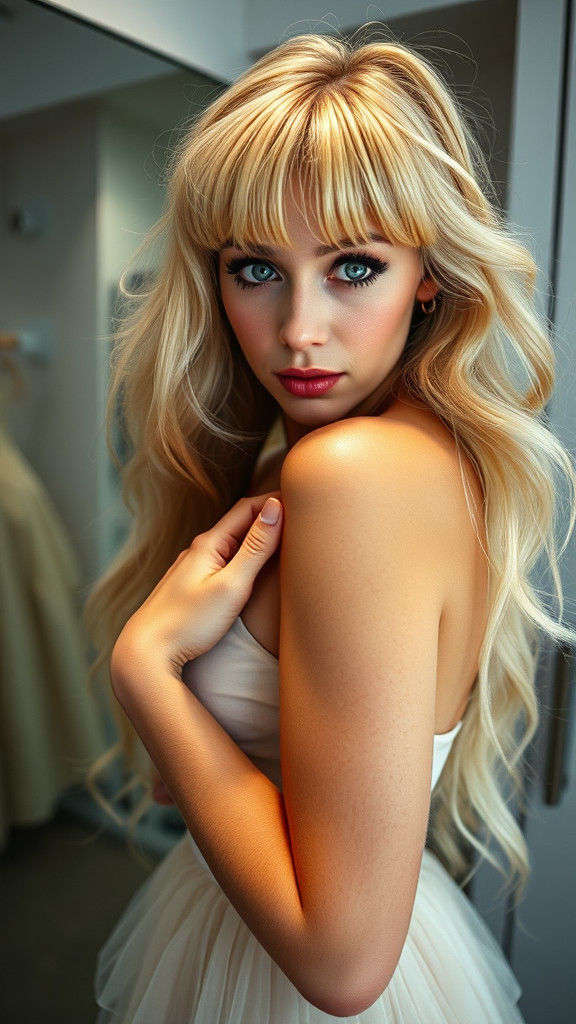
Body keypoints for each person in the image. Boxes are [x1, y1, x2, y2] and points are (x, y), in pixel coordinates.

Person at [85, 30, 575, 1023]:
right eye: (254, 268)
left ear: (429, 273)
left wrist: (146, 670)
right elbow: (219, 787)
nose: (300, 327)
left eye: (353, 266)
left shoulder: (355, 473)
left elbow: (344, 965)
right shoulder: (386, 453)